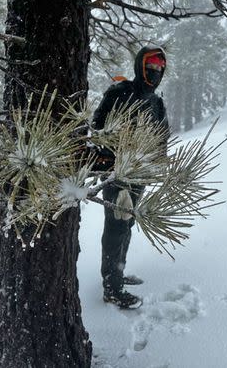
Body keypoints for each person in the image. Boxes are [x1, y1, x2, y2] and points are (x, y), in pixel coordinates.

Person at [92, 46, 169, 309]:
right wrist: (106, 159)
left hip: (140, 173)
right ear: (140, 66)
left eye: (160, 67)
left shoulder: (156, 102)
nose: (155, 71)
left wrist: (157, 161)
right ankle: (111, 287)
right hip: (117, 172)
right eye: (151, 65)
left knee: (127, 224)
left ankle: (118, 274)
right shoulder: (119, 93)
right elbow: (98, 126)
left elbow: (162, 137)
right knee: (116, 225)